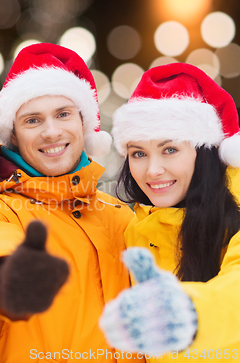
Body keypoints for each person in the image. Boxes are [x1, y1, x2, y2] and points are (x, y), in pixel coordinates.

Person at [0, 43, 144, 362]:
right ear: (14, 135)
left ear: (83, 124)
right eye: (33, 120)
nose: (51, 131)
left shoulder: (120, 217)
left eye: (63, 114)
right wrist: (7, 271)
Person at [100, 63, 240, 362]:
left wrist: (185, 315)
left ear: (203, 152)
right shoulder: (137, 231)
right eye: (138, 153)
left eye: (170, 150)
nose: (152, 170)